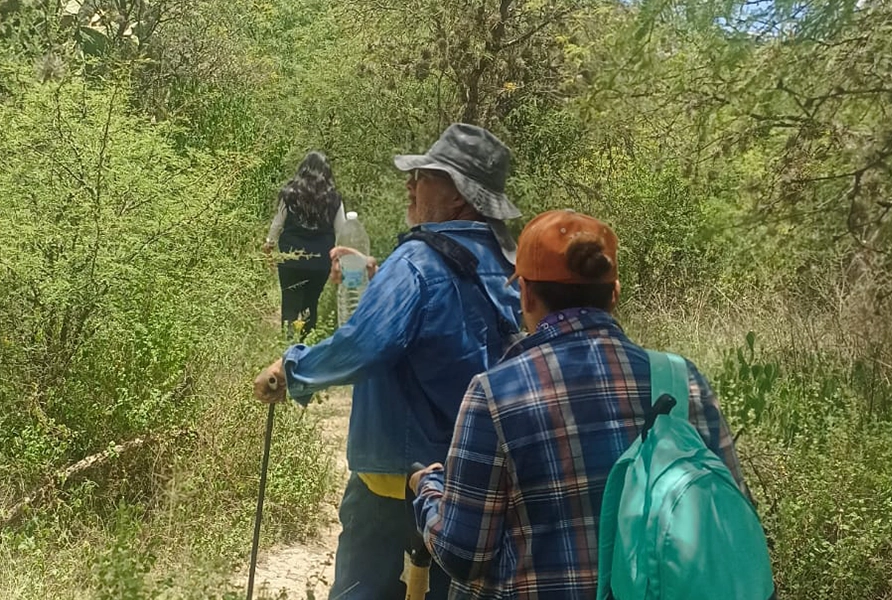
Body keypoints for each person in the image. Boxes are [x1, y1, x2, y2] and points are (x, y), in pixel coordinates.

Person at [408, 210, 751, 600]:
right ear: (615, 293)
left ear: (527, 294)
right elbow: (730, 513)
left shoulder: (494, 394)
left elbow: (464, 554)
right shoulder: (682, 380)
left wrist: (429, 490)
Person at [254, 124, 524, 600]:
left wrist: (292, 368)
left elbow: (368, 343)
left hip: (398, 482)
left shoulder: (417, 261)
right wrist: (377, 278)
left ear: (459, 196)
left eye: (424, 175)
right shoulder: (515, 265)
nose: (411, 183)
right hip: (480, 483)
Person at [264, 151, 347, 338]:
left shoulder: (289, 193)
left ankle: (287, 347)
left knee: (290, 304)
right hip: (320, 261)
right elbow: (341, 231)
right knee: (311, 304)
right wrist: (338, 259)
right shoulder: (334, 198)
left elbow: (278, 223)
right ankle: (307, 349)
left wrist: (269, 245)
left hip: (291, 258)